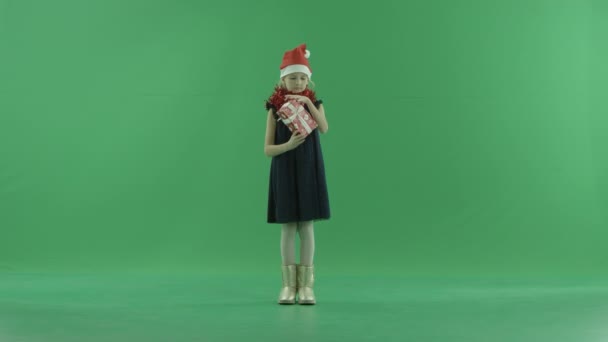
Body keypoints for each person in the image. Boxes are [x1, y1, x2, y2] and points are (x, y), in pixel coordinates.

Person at [264, 43, 330, 305]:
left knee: (307, 226)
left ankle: (307, 288)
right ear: (283, 79)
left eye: (303, 77)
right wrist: (288, 145)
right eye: (293, 77)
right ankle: (288, 287)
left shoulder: (316, 103)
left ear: (309, 80)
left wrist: (307, 104)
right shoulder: (274, 109)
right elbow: (268, 149)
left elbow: (323, 128)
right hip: (284, 170)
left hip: (310, 169)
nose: (298, 82)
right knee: (288, 228)